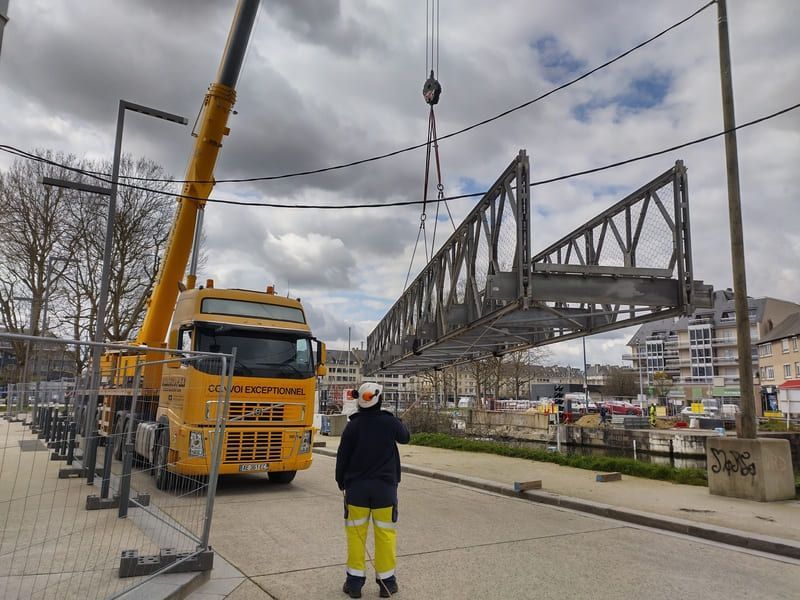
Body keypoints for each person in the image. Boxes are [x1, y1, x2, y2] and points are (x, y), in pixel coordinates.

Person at [336, 382, 410, 598]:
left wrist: (342, 482)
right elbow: (405, 437)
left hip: (357, 490)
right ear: (379, 399)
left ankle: (354, 584)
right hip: (385, 491)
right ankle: (387, 584)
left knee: (356, 537)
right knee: (385, 536)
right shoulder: (389, 422)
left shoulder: (353, 426)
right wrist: (398, 421)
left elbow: (342, 457)